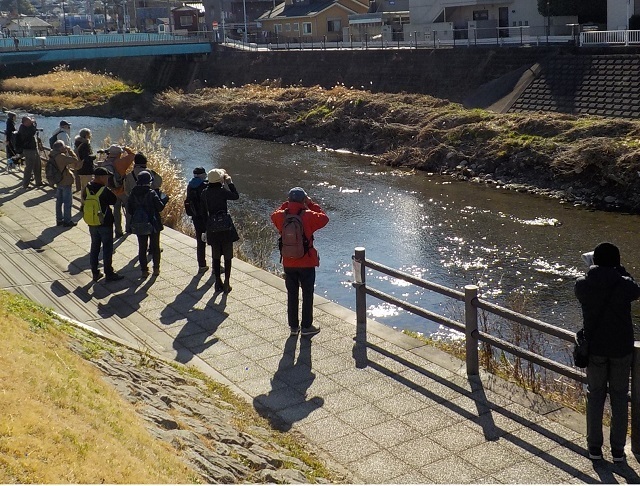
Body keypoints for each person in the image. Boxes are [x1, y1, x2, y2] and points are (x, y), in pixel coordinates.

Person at [575, 242, 640, 462]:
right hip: (621, 350)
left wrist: (595, 269)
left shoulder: (582, 285)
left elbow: (589, 283)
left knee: (595, 396)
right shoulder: (624, 285)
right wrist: (620, 270)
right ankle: (618, 451)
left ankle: (594, 448)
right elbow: (635, 288)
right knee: (620, 398)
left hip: (595, 350)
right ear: (616, 261)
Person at [271, 187, 328, 337]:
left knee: (292, 294)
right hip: (307, 261)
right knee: (307, 294)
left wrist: (287, 205)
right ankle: (307, 326)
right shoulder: (308, 215)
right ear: (303, 199)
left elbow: (273, 215)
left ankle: (294, 327)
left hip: (288, 261)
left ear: (289, 200)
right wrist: (310, 203)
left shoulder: (280, 216)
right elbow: (324, 218)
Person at [82, 166, 124, 282]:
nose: (107, 179)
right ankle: (109, 272)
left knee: (94, 246)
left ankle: (95, 272)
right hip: (105, 222)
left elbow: (84, 199)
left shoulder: (87, 188)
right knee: (107, 247)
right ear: (100, 177)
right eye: (106, 177)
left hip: (92, 222)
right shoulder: (104, 190)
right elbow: (113, 201)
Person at [201, 168, 239, 292]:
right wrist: (230, 182)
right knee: (228, 256)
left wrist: (205, 229)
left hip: (212, 227)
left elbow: (203, 213)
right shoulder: (222, 191)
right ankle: (227, 282)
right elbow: (236, 196)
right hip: (225, 227)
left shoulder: (205, 193)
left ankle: (218, 282)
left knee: (216, 256)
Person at [126, 170, 165, 277]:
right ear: (149, 181)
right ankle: (156, 269)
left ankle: (144, 270)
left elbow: (129, 210)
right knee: (155, 247)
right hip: (153, 223)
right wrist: (164, 200)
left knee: (142, 247)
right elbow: (160, 207)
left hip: (139, 223)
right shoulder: (152, 193)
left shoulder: (132, 193)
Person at [99, 144, 135, 237]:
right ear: (119, 153)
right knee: (129, 209)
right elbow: (132, 155)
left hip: (111, 190)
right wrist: (125, 148)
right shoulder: (120, 162)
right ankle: (129, 228)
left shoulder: (105, 163)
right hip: (122, 190)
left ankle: (118, 231)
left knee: (116, 210)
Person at [122, 152, 163, 232]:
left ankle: (129, 229)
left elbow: (126, 191)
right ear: (145, 162)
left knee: (141, 240)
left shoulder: (130, 175)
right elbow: (159, 183)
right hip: (150, 204)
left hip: (136, 205)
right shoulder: (150, 173)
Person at [50, 140, 82, 227]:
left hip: (58, 181)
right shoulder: (61, 157)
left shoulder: (52, 154)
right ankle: (67, 221)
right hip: (65, 181)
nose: (65, 147)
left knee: (59, 202)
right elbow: (75, 160)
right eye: (64, 146)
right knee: (68, 202)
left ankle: (59, 219)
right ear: (60, 148)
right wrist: (70, 150)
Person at [185, 166, 209, 272]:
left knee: (200, 241)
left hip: (195, 217)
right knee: (213, 241)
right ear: (202, 175)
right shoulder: (204, 185)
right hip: (205, 217)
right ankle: (217, 265)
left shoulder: (190, 185)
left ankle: (202, 265)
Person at [17, 116, 44, 189]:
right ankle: (25, 184)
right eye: (29, 122)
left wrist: (32, 124)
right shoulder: (23, 129)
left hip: (34, 148)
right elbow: (31, 132)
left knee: (37, 165)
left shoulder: (27, 127)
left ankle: (39, 182)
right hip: (28, 150)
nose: (31, 122)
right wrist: (33, 125)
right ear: (25, 122)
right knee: (29, 167)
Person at [74, 128, 97, 201]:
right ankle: (86, 204)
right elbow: (86, 158)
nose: (91, 136)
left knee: (83, 187)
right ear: (86, 135)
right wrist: (94, 156)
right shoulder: (85, 145)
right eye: (90, 134)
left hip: (80, 168)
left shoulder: (78, 143)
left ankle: (83, 203)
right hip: (86, 169)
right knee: (87, 187)